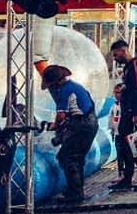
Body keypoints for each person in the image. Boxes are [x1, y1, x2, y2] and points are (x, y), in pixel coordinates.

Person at [41, 64, 99, 204]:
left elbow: (61, 115)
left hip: (81, 125)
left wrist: (54, 126)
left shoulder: (63, 91)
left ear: (56, 81)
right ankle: (76, 189)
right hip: (90, 123)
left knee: (68, 157)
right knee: (77, 157)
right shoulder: (75, 86)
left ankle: (75, 194)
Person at [108, 39, 137, 192]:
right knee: (124, 145)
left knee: (135, 144)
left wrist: (136, 113)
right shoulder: (128, 68)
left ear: (123, 51)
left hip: (132, 113)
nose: (115, 58)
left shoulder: (134, 66)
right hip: (127, 111)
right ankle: (127, 178)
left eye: (116, 54)